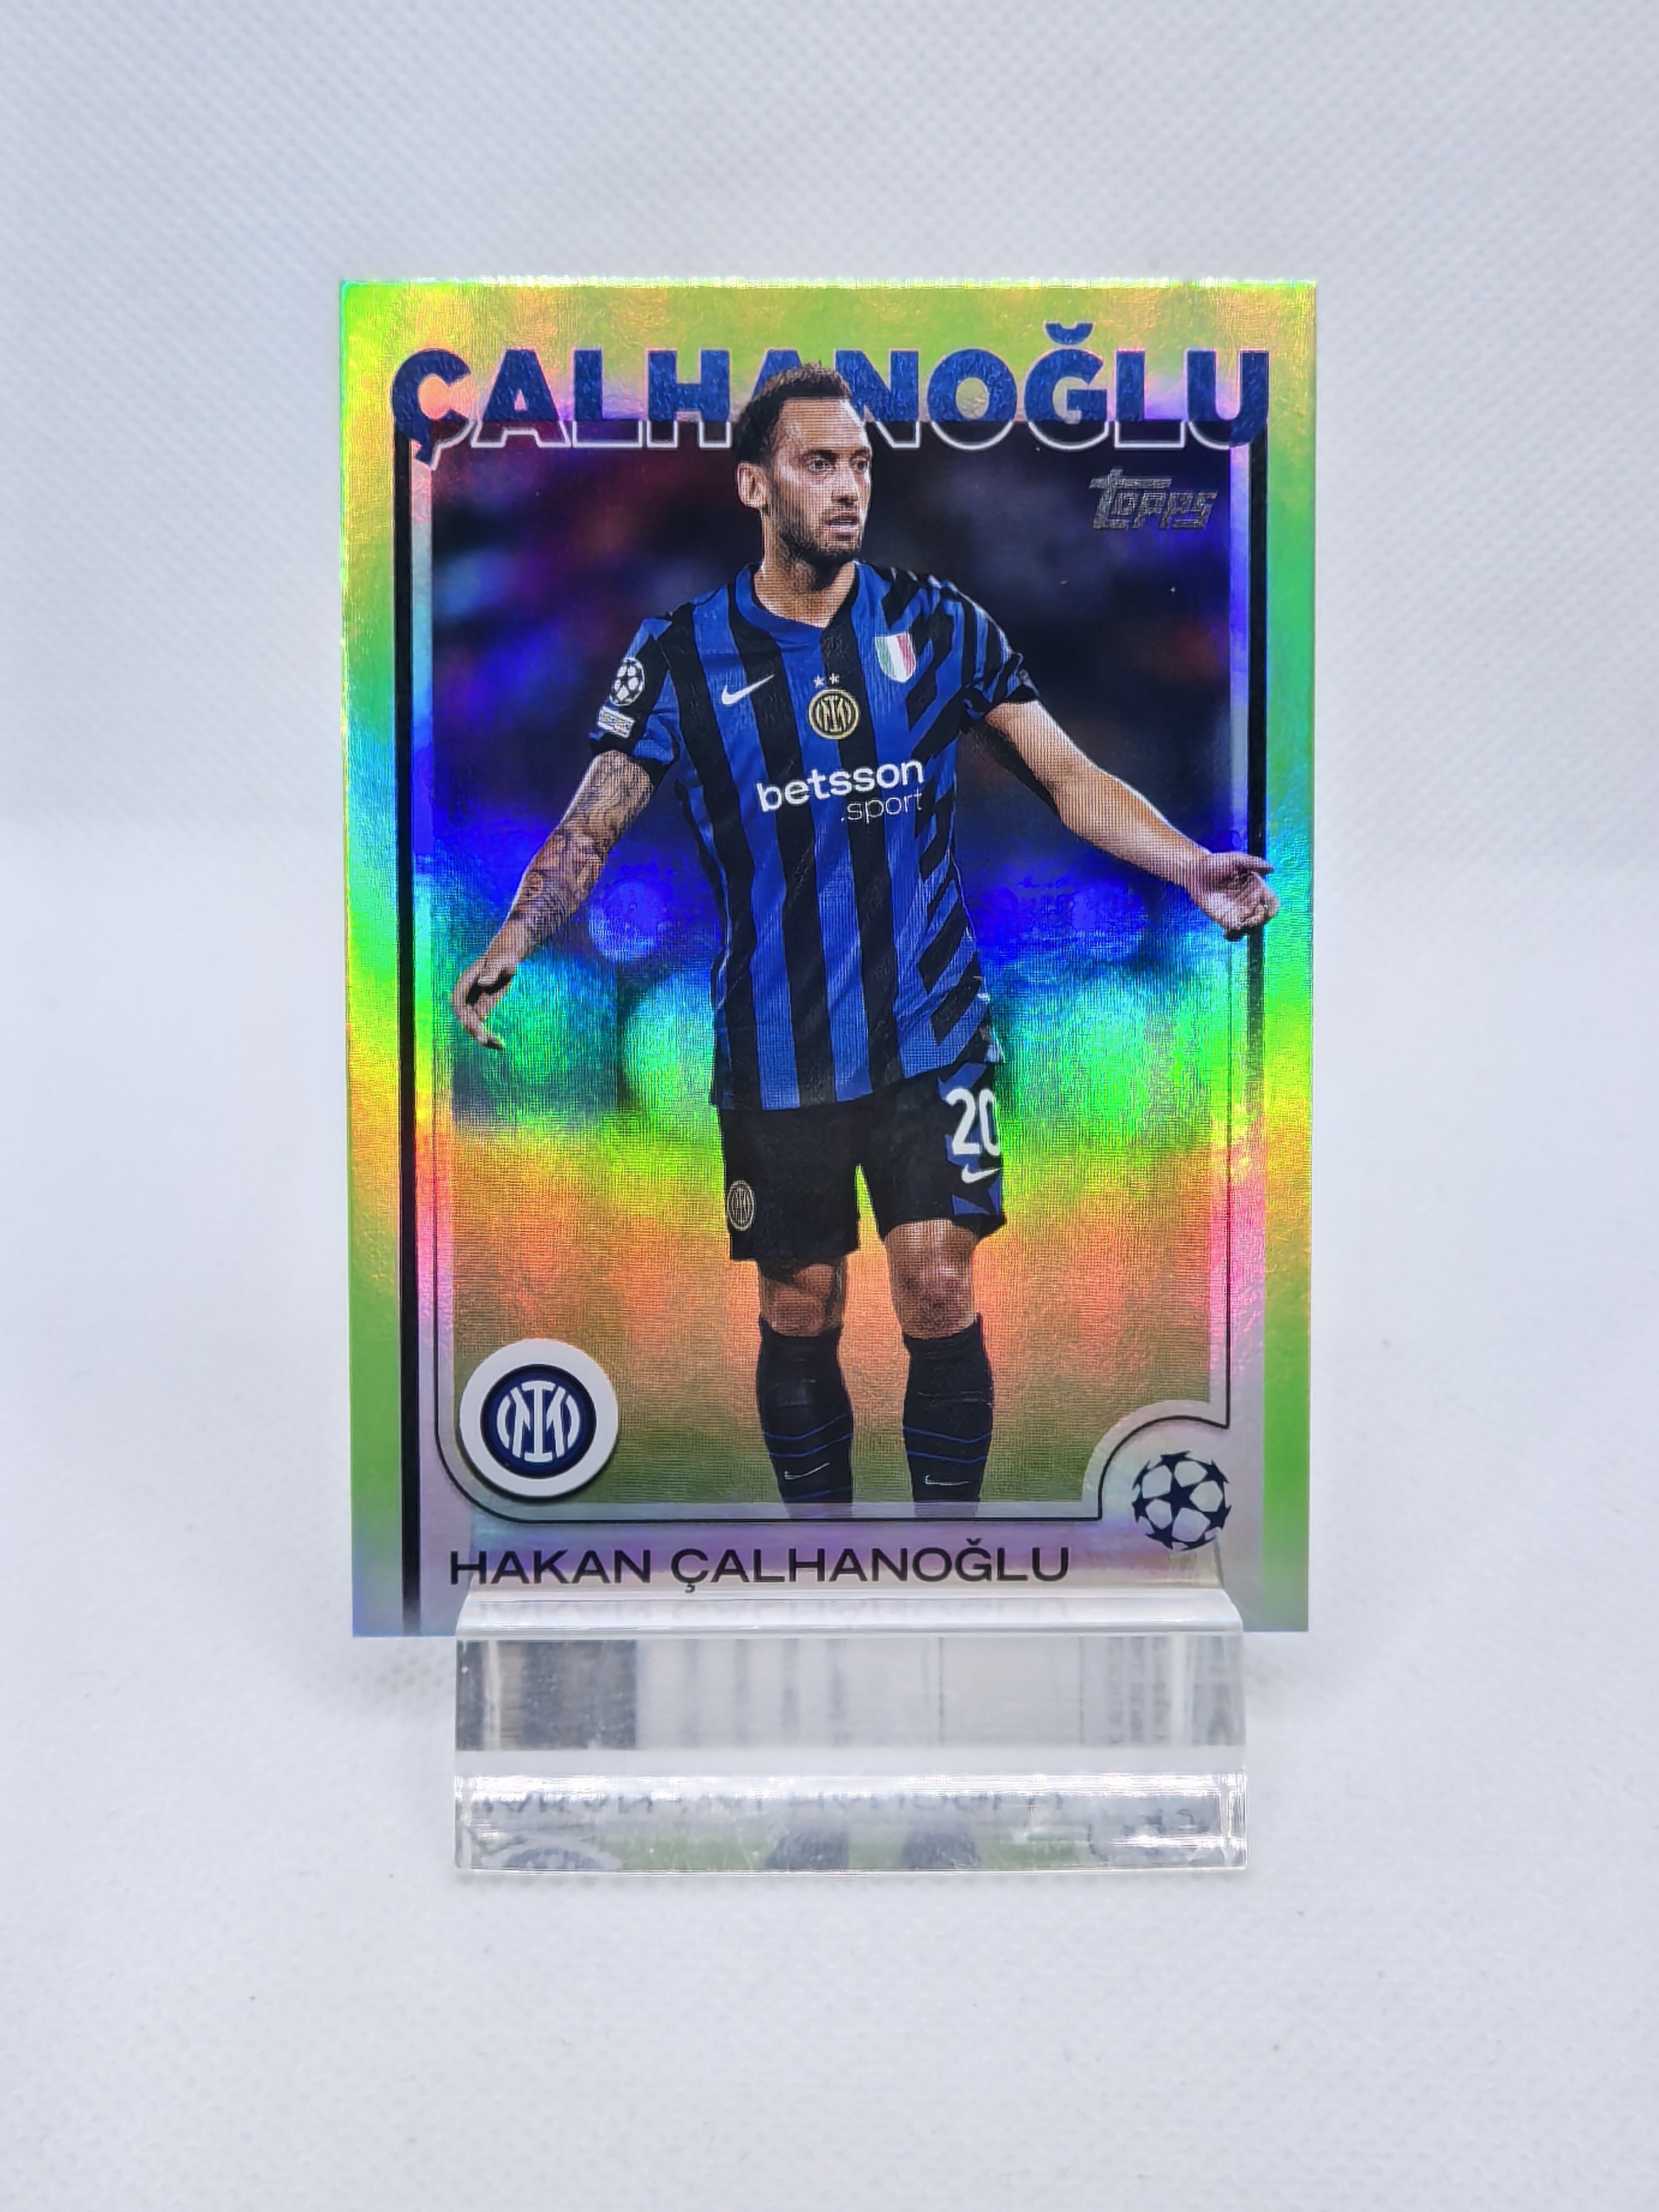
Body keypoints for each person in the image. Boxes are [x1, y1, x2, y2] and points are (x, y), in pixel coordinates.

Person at [453, 362, 1277, 1510]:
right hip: (777, 1045)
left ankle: (946, 1550)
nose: (848, 488)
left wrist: (1189, 864)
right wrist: (515, 937)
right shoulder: (681, 655)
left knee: (936, 1281)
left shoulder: (939, 625)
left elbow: (1067, 776)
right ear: (755, 485)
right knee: (801, 1304)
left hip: (931, 1028)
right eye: (818, 464)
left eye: (860, 465)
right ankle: (822, 1547)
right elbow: (592, 826)